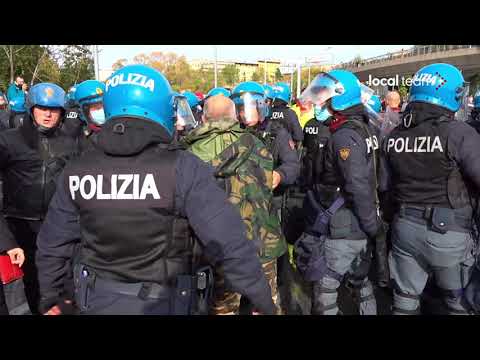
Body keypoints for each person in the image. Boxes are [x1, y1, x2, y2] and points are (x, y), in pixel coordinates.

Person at [35, 64, 276, 316]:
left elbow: (53, 243)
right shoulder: (183, 168)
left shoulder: (78, 169)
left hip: (96, 300)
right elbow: (229, 242)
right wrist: (259, 298)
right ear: (163, 108)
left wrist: (52, 296)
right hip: (167, 301)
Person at [380, 63, 479, 315]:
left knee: (404, 301)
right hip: (449, 236)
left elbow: (384, 186)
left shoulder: (394, 135)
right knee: (459, 304)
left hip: (404, 231)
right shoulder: (460, 133)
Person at [182, 94, 286, 315]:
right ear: (233, 115)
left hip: (221, 250)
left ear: (203, 117)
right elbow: (267, 187)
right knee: (263, 306)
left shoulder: (189, 154)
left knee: (223, 309)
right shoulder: (256, 144)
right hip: (262, 244)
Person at [299, 70, 387, 315]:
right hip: (360, 223)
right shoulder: (365, 127)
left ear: (339, 99)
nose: (320, 103)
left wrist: (371, 225)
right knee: (360, 283)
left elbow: (357, 184)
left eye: (324, 98)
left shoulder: (344, 136)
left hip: (345, 226)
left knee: (325, 292)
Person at [0, 83, 81, 314]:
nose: (47, 114)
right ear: (31, 109)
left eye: (54, 109)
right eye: (41, 108)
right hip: (19, 229)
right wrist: (6, 240)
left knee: (61, 292)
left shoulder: (73, 143)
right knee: (26, 294)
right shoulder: (8, 141)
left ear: (62, 112)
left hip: (60, 229)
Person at [74, 80, 106, 152]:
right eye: (95, 107)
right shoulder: (79, 140)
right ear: (82, 112)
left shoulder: (119, 128)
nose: (102, 110)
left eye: (103, 105)